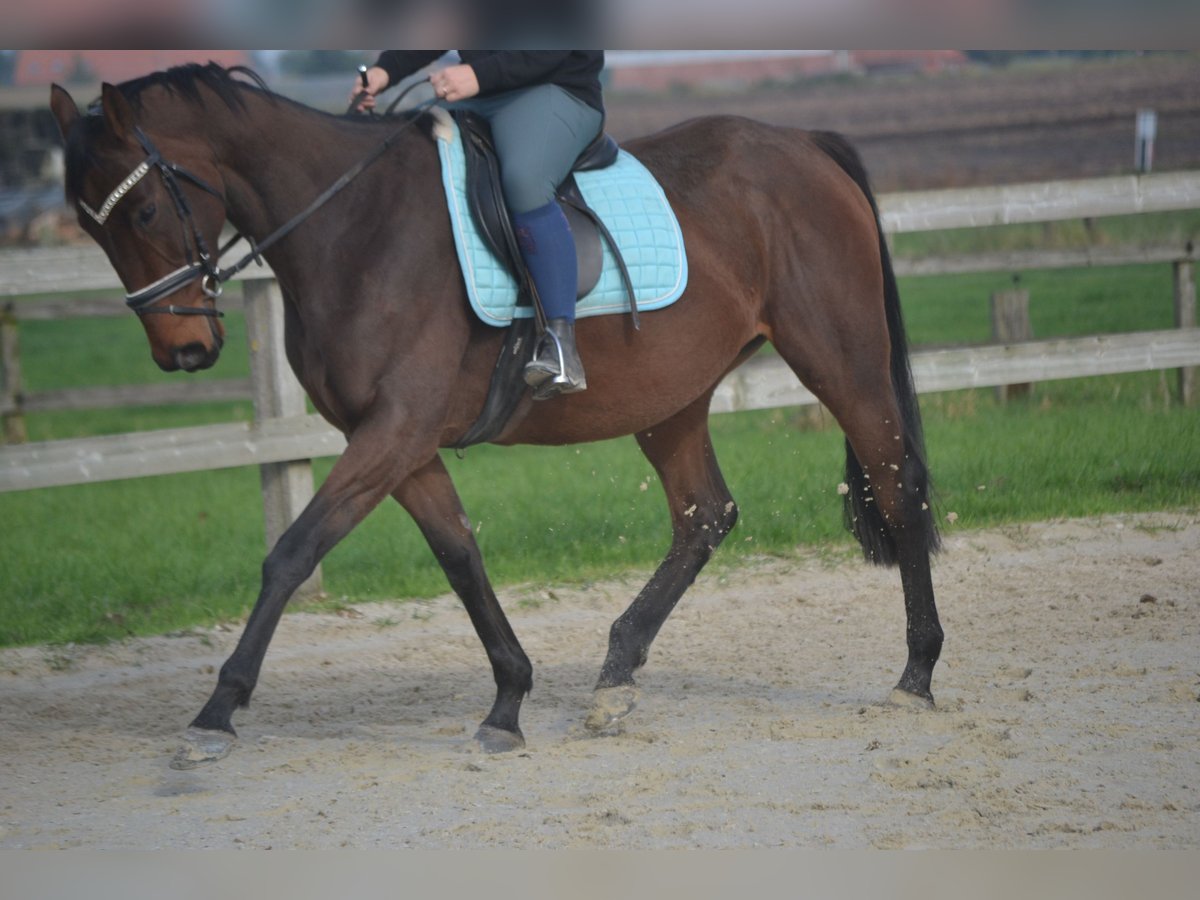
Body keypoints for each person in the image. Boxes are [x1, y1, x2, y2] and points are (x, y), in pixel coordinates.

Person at [352, 51, 606, 397]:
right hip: (476, 98)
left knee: (524, 181)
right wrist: (386, 70)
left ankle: (560, 344)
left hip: (554, 92)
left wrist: (478, 74)